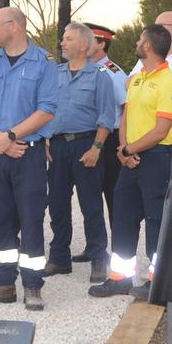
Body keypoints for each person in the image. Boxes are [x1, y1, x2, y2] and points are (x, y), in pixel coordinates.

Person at [0, 7, 57, 311]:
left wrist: (12, 137)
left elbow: (46, 109)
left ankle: (32, 285)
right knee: (1, 221)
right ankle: (4, 283)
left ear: (15, 27)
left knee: (31, 219)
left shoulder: (43, 64)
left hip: (27, 154)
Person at [89, 24, 172, 300]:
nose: (137, 43)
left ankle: (158, 282)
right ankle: (120, 277)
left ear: (149, 47)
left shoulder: (169, 82)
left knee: (156, 220)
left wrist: (129, 149)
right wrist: (122, 149)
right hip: (130, 156)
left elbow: (161, 130)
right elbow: (126, 116)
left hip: (157, 158)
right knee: (123, 217)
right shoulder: (138, 77)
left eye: (141, 40)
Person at [45, 23, 117, 283]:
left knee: (91, 205)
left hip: (86, 145)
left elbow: (107, 116)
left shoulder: (100, 76)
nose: (62, 43)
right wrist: (45, 141)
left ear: (84, 46)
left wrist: (97, 148)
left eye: (68, 39)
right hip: (57, 146)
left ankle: (98, 257)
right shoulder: (54, 74)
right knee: (57, 204)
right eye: (63, 39)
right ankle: (59, 258)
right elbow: (45, 109)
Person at [82, 22, 128, 239]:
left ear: (101, 44)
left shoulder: (112, 72)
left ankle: (119, 248)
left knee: (112, 194)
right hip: (91, 136)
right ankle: (94, 247)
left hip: (110, 140)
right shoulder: (85, 68)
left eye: (89, 40)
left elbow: (126, 105)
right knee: (90, 196)